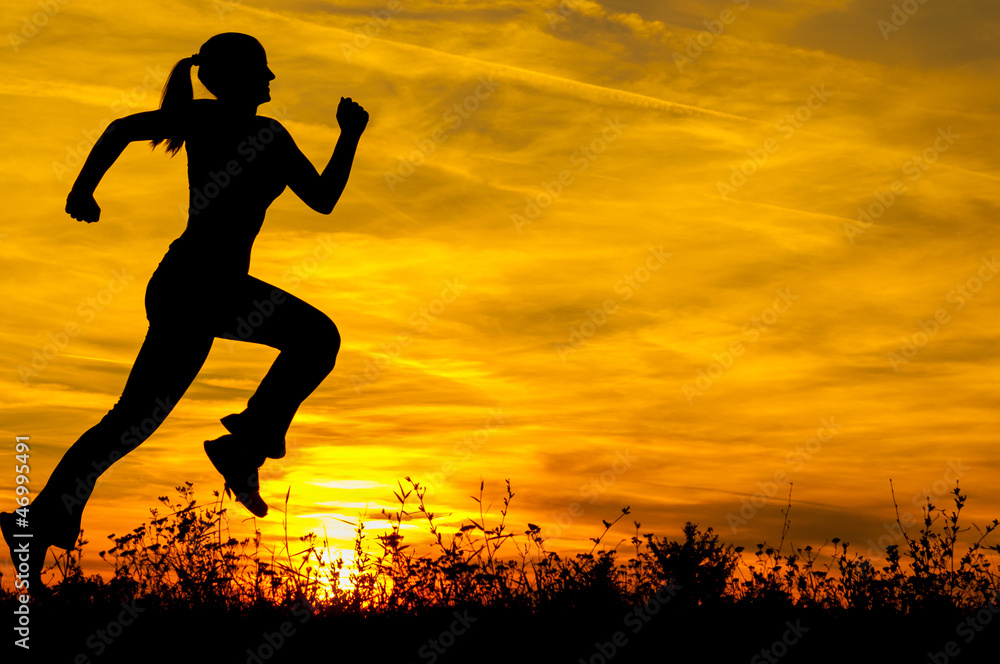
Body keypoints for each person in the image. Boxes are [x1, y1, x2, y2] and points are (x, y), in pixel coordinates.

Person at [1, 32, 369, 593]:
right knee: (316, 337)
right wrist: (81, 191)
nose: (272, 80)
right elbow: (123, 129)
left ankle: (41, 520)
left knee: (132, 420)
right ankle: (244, 442)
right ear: (236, 79)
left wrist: (348, 138)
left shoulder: (256, 132)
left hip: (198, 286)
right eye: (263, 71)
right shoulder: (229, 124)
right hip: (200, 285)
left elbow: (321, 199)